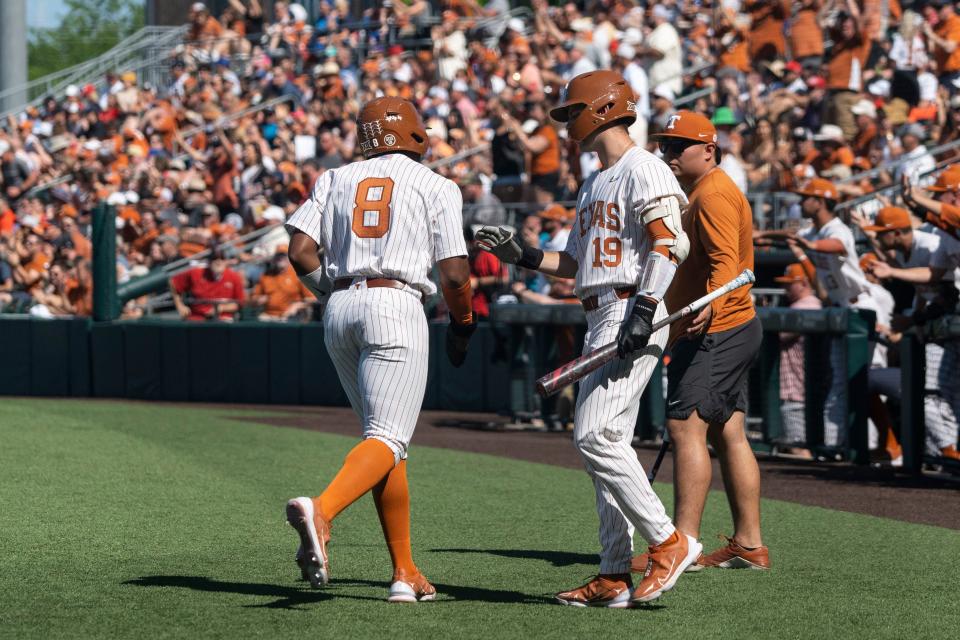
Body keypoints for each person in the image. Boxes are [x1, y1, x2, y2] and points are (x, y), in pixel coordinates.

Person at [477, 70, 699, 607]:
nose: (566, 121)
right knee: (608, 445)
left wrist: (644, 310)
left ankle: (669, 542)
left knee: (593, 434)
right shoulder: (595, 180)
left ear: (602, 109)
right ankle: (613, 572)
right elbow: (575, 262)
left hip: (631, 305)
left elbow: (670, 245)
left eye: (571, 111)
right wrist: (524, 254)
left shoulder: (644, 167)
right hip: (601, 308)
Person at [283, 96, 476, 603]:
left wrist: (333, 292)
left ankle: (405, 571)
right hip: (396, 302)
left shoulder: (334, 177)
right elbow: (455, 273)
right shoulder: (436, 184)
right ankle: (321, 510)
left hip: (340, 305)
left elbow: (299, 251)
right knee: (388, 438)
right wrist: (464, 322)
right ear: (416, 133)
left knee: (385, 443)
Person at [643, 111, 767, 571]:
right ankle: (749, 545)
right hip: (730, 325)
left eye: (679, 147)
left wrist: (708, 306)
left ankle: (682, 545)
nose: (668, 154)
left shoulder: (713, 192)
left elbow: (727, 265)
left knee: (684, 427)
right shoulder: (699, 190)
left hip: (718, 327)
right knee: (727, 431)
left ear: (709, 150)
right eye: (665, 146)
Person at [788, 178, 877, 449]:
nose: (801, 202)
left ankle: (876, 446)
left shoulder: (836, 229)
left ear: (821, 201)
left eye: (806, 197)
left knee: (868, 382)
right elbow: (807, 252)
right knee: (846, 382)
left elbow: (837, 245)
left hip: (864, 305)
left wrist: (808, 247)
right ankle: (857, 445)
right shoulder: (815, 233)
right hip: (842, 307)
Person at [867, 204, 960, 461]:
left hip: (949, 325)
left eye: (880, 232)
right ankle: (944, 453)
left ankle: (948, 451)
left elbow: (944, 288)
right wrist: (915, 320)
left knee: (936, 395)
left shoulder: (930, 243)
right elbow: (922, 290)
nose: (876, 237)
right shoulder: (909, 249)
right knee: (935, 395)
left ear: (896, 233)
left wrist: (914, 320)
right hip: (938, 329)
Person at [775, 263, 822, 458]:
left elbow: (781, 334)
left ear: (803, 283)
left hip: (796, 390)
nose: (785, 289)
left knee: (799, 448)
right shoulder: (819, 304)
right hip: (815, 392)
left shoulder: (803, 306)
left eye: (789, 284)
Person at [169, 244, 245, 321]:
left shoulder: (234, 277)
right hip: (198, 318)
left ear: (226, 261)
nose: (218, 261)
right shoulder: (196, 273)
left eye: (222, 258)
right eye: (214, 258)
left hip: (224, 319)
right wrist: (180, 306)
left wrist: (220, 308)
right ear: (209, 262)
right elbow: (173, 283)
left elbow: (239, 303)